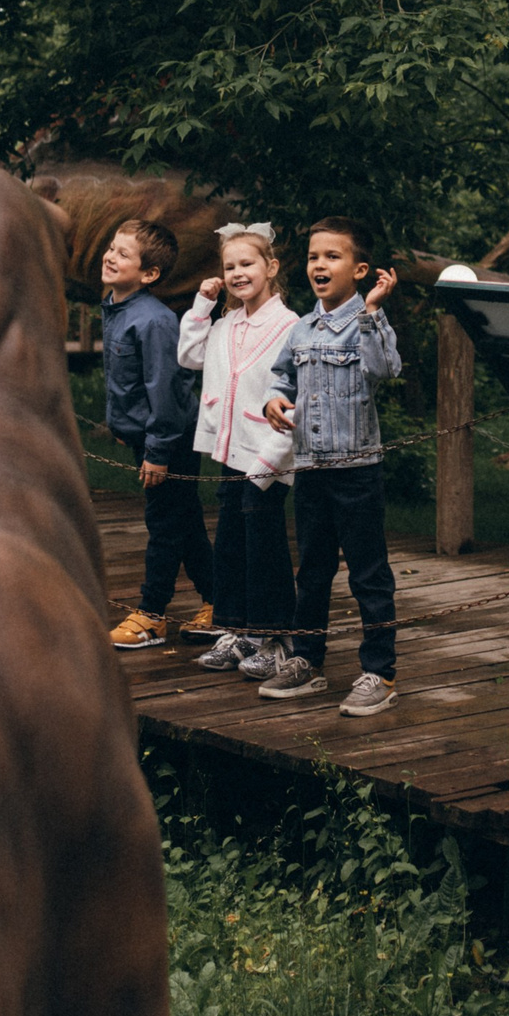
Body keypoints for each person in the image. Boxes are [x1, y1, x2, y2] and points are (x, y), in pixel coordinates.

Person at [258, 217, 402, 715]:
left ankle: (380, 672)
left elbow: (386, 368)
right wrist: (274, 400)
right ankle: (307, 661)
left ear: (359, 270)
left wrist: (373, 312)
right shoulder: (301, 328)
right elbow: (282, 377)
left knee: (368, 574)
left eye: (332, 256)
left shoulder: (367, 322)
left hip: (357, 470)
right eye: (314, 256)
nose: (319, 264)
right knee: (313, 571)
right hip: (311, 470)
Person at [174, 222, 300, 678]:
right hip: (230, 451)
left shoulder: (290, 327)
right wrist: (202, 305)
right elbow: (189, 356)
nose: (237, 273)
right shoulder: (226, 324)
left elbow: (294, 394)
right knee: (230, 541)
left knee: (263, 543)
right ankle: (237, 630)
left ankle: (275, 636)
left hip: (267, 451)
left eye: (247, 264)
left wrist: (272, 457)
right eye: (229, 267)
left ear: (272, 267)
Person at [102, 218, 215, 649]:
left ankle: (152, 615)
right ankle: (220, 601)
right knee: (184, 521)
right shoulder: (116, 308)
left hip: (171, 440)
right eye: (111, 248)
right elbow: (130, 383)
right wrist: (126, 427)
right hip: (149, 437)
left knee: (165, 525)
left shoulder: (154, 321)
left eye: (123, 253)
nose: (110, 256)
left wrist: (159, 450)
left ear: (149, 274)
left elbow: (168, 390)